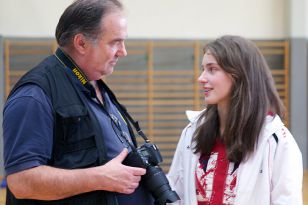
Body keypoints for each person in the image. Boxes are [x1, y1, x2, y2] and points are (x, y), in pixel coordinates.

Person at [2, 0, 155, 204]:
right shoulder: (34, 95)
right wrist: (100, 178)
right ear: (81, 43)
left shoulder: (96, 86)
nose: (123, 51)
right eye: (114, 42)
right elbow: (22, 182)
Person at [167, 35, 303, 205]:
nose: (201, 78)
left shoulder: (277, 141)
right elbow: (175, 195)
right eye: (203, 69)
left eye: (212, 69)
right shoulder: (192, 132)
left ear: (238, 74)